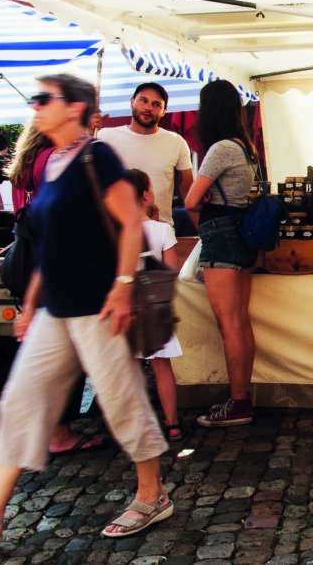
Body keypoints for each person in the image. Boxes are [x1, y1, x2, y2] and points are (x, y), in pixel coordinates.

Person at [0, 74, 171, 551]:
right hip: (53, 310)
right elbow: (49, 245)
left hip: (96, 306)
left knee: (121, 400)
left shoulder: (98, 156)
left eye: (45, 99)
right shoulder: (50, 164)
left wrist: (122, 286)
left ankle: (152, 494)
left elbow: (132, 223)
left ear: (74, 108)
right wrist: (30, 303)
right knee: (19, 403)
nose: (36, 107)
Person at [4, 123, 104, 456]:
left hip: (27, 261)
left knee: (44, 349)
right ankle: (59, 432)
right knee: (67, 351)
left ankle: (41, 428)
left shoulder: (24, 166)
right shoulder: (51, 160)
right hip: (53, 264)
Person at [184, 79, 258, 428]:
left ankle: (238, 401)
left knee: (229, 324)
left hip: (222, 235)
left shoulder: (220, 149)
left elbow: (190, 200)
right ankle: (243, 396)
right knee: (240, 322)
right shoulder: (246, 147)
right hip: (242, 235)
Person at [123, 168, 184, 442]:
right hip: (155, 309)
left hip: (126, 307)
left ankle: (138, 427)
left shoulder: (116, 232)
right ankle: (172, 423)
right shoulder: (162, 229)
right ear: (147, 195)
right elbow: (172, 271)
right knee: (162, 368)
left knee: (131, 371)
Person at [98, 82, 194, 236]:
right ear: (132, 101)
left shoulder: (176, 142)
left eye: (156, 104)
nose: (148, 107)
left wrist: (204, 233)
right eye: (143, 100)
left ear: (164, 111)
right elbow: (85, 180)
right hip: (113, 233)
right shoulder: (105, 136)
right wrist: (87, 135)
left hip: (159, 234)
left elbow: (189, 193)